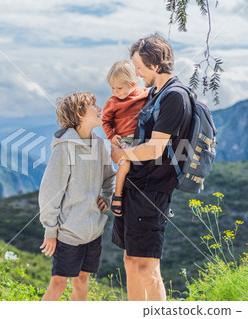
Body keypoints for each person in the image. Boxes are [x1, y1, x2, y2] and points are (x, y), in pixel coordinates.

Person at [110, 34, 192, 301]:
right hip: (136, 188)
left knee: (147, 267)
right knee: (131, 262)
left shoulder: (174, 97)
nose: (137, 72)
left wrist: (122, 154)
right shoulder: (156, 93)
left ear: (155, 65)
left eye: (140, 67)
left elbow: (155, 149)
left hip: (152, 192)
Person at [39, 92, 116, 301]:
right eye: (94, 106)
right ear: (80, 114)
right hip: (69, 232)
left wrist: (106, 198)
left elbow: (110, 177)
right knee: (58, 284)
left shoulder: (99, 145)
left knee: (82, 280)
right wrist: (50, 230)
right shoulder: (65, 149)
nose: (100, 108)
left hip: (93, 231)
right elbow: (50, 191)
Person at [101, 60, 148, 217]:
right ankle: (118, 194)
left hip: (142, 138)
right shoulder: (113, 102)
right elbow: (105, 122)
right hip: (124, 139)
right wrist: (112, 136)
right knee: (125, 163)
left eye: (119, 88)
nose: (115, 91)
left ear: (132, 84)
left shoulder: (144, 94)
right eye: (112, 88)